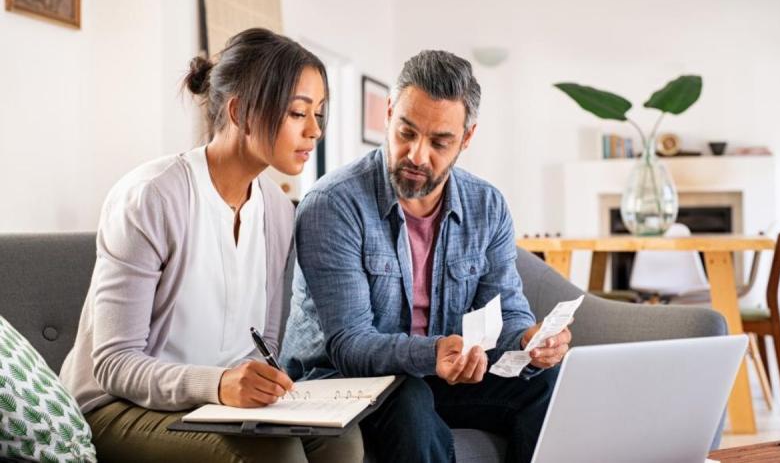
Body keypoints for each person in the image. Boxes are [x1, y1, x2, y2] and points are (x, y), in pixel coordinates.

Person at [59, 28, 363, 463]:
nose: (314, 130)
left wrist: (267, 385)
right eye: (298, 113)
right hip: (116, 408)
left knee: (343, 441)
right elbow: (114, 363)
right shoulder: (152, 197)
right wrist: (218, 384)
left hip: (215, 406)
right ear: (240, 111)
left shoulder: (279, 212)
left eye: (319, 113)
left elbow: (266, 343)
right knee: (275, 455)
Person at [280, 50, 572, 463]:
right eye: (407, 132)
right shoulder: (333, 204)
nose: (418, 155)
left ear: (466, 138)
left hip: (438, 372)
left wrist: (528, 342)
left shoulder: (487, 206)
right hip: (339, 380)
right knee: (411, 396)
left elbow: (506, 310)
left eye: (439, 142)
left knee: (548, 381)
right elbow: (348, 345)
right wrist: (433, 354)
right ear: (389, 113)